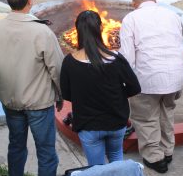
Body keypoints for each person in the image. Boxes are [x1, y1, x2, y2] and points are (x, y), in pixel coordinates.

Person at [0, 0, 62, 176]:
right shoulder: (41, 31)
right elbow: (57, 69)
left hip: (10, 101)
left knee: (16, 145)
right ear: (30, 0)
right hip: (38, 103)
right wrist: (61, 93)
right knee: (46, 153)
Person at [120, 0, 183, 174]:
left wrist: (125, 84)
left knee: (146, 117)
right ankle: (167, 151)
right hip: (176, 75)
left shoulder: (130, 19)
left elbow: (127, 58)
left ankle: (155, 157)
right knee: (167, 111)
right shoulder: (172, 15)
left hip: (148, 78)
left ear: (134, 2)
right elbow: (179, 36)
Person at [60, 11, 141, 166]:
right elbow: (135, 87)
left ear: (78, 31)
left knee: (96, 169)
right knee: (116, 159)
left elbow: (67, 94)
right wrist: (117, 95)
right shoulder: (116, 59)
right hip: (116, 122)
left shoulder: (69, 62)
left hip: (88, 125)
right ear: (100, 29)